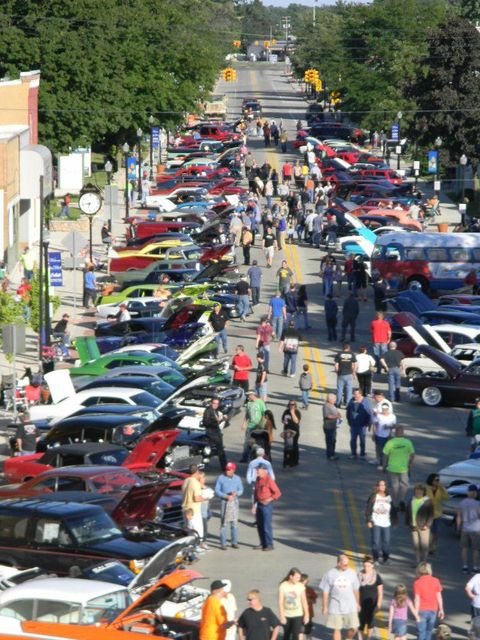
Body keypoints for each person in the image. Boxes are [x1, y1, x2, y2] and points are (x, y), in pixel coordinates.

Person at [320, 554, 360, 640]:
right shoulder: (330, 574)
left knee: (354, 628)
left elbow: (356, 589)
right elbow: (325, 591)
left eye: (347, 564)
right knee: (337, 629)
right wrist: (324, 607)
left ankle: (348, 638)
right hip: (335, 605)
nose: (347, 566)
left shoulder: (352, 573)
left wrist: (357, 603)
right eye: (345, 564)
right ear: (338, 563)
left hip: (350, 605)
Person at [383, 426, 415, 511]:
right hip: (403, 468)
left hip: (392, 468)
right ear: (403, 433)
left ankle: (394, 503)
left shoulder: (390, 442)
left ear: (395, 433)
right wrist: (410, 463)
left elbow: (385, 455)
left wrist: (384, 466)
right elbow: (412, 454)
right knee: (404, 485)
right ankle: (400, 500)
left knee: (394, 486)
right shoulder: (408, 442)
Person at [215, 462, 244, 550]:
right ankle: (223, 543)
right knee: (224, 523)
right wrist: (226, 496)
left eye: (229, 470)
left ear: (233, 470)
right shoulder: (221, 478)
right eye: (226, 469)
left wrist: (236, 493)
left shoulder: (237, 478)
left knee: (234, 523)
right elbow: (217, 490)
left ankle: (234, 542)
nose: (227, 471)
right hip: (225, 502)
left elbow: (241, 489)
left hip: (234, 502)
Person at [253, 464, 281, 550]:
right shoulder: (258, 479)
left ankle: (269, 544)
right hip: (259, 505)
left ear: (264, 471)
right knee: (260, 525)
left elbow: (278, 493)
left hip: (266, 505)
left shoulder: (269, 480)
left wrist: (269, 499)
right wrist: (254, 505)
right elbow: (256, 493)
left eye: (258, 470)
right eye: (257, 470)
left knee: (266, 525)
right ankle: (262, 543)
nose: (256, 471)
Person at [413, 562, 444, 640]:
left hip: (422, 610)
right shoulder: (436, 580)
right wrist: (441, 609)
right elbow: (439, 596)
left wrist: (416, 612)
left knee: (421, 631)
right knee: (429, 631)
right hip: (433, 609)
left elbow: (417, 599)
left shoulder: (417, 583)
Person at [406, 484, 434, 565]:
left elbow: (431, 515)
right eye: (416, 491)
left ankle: (424, 562)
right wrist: (408, 523)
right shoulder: (412, 500)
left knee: (424, 546)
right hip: (414, 526)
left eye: (420, 491)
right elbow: (408, 512)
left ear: (423, 492)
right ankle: (417, 562)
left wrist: (427, 525)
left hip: (423, 527)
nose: (418, 492)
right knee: (416, 545)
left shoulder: (427, 501)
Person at [366, 479, 392, 564]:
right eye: (381, 485)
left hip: (386, 523)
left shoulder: (388, 496)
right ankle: (376, 558)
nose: (383, 487)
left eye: (384, 485)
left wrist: (394, 519)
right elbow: (368, 509)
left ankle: (386, 558)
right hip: (376, 522)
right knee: (376, 542)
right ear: (377, 486)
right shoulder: (374, 496)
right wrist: (369, 520)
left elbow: (393, 509)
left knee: (386, 542)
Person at [278, 568, 309, 640]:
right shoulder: (283, 586)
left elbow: (304, 601)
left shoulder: (300, 586)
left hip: (298, 614)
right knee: (287, 634)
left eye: (299, 577)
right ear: (291, 576)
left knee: (296, 635)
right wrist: (282, 616)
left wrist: (307, 615)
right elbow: (280, 602)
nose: (299, 579)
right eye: (297, 577)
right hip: (286, 614)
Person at [358, 555, 383, 640]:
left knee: (370, 623)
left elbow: (380, 593)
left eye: (368, 566)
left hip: (372, 605)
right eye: (365, 566)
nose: (366, 568)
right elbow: (355, 591)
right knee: (360, 624)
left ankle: (368, 638)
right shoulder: (359, 576)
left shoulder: (377, 577)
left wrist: (378, 604)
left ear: (372, 565)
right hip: (360, 605)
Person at [457, 484, 480, 574]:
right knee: (476, 549)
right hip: (476, 529)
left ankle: (465, 566)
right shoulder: (478, 504)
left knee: (464, 548)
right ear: (474, 493)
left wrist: (459, 527)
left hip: (465, 528)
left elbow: (459, 516)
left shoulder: (462, 503)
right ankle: (475, 567)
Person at [346, 388, 374, 460]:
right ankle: (353, 453)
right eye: (354, 394)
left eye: (356, 394)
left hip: (362, 426)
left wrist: (369, 424)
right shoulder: (351, 400)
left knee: (362, 440)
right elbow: (348, 411)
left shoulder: (366, 401)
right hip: (353, 425)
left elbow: (370, 413)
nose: (355, 395)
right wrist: (349, 420)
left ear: (360, 394)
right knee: (353, 440)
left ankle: (362, 453)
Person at [426, 473, 449, 555]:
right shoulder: (426, 489)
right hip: (428, 513)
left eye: (439, 480)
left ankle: (433, 546)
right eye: (436, 480)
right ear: (431, 480)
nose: (438, 481)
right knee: (428, 531)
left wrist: (442, 488)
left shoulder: (440, 489)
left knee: (436, 532)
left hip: (438, 514)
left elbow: (446, 498)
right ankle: (427, 547)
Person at [182, 463, 206, 541]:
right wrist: (205, 498)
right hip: (194, 511)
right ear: (197, 472)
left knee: (189, 532)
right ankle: (196, 546)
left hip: (185, 509)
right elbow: (196, 498)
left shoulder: (186, 480)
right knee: (196, 533)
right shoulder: (195, 483)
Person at [241, 391, 267, 463]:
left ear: (253, 395)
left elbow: (265, 414)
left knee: (259, 443)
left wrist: (261, 424)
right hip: (250, 426)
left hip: (258, 427)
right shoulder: (249, 403)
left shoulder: (260, 402)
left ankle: (260, 457)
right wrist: (244, 423)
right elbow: (247, 414)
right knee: (247, 442)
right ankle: (244, 457)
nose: (248, 397)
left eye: (249, 395)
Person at [203, 398, 228, 471]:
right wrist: (217, 420)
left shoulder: (215, 411)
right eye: (214, 403)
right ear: (211, 403)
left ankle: (204, 462)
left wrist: (223, 419)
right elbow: (206, 423)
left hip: (216, 431)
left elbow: (217, 422)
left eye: (217, 404)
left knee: (211, 449)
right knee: (220, 449)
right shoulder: (208, 411)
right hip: (211, 432)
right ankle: (224, 466)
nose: (215, 405)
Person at [370, 404, 396, 469]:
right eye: (383, 409)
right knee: (380, 450)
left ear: (388, 409)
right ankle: (381, 463)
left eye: (386, 409)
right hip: (379, 435)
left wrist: (388, 427)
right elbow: (375, 425)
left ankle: (386, 464)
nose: (384, 411)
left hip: (388, 436)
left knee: (387, 451)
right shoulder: (378, 416)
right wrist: (374, 434)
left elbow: (394, 426)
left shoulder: (392, 416)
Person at [334, 343, 357, 407]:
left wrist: (337, 372)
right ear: (348, 348)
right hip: (349, 374)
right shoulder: (352, 354)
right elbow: (355, 364)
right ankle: (347, 404)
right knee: (349, 390)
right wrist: (354, 373)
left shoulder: (339, 354)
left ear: (343, 348)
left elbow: (336, 365)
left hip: (341, 374)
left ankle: (338, 403)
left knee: (339, 389)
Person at [281, 400, 301, 468]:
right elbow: (282, 420)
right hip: (287, 431)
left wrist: (292, 413)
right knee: (287, 446)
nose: (291, 406)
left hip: (294, 431)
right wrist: (284, 422)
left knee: (294, 446)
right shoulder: (286, 412)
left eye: (293, 404)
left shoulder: (297, 412)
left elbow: (296, 421)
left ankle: (294, 461)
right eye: (290, 404)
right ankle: (286, 461)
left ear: (295, 405)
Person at [323, 393, 342, 460]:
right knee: (330, 442)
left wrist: (338, 414)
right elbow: (327, 416)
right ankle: (330, 455)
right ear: (329, 399)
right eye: (334, 399)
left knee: (333, 441)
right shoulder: (326, 406)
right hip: (328, 427)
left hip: (333, 427)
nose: (335, 400)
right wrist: (337, 416)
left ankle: (332, 454)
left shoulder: (332, 405)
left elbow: (336, 412)